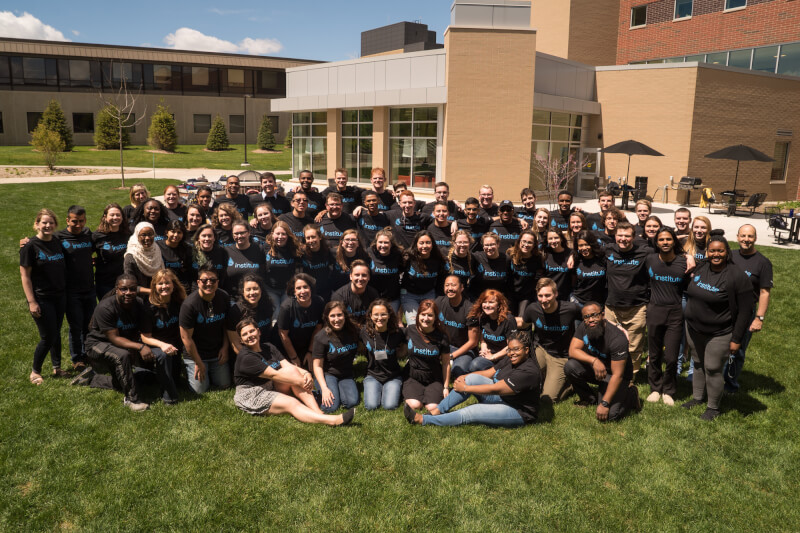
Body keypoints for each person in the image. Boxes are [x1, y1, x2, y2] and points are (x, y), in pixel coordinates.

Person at [682, 231, 753, 420]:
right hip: (694, 328)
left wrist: (737, 339)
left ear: (727, 252)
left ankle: (713, 407)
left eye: (720, 251)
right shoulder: (702, 267)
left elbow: (745, 311)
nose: (716, 255)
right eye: (712, 251)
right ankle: (697, 398)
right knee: (697, 363)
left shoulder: (737, 276)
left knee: (712, 368)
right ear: (707, 252)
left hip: (720, 332)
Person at [405, 330, 541, 427]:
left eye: (516, 349)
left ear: (527, 350)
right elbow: (489, 373)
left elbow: (495, 389)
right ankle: (437, 411)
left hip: (517, 410)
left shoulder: (529, 371)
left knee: (471, 412)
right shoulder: (510, 358)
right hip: (503, 398)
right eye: (509, 349)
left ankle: (423, 420)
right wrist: (465, 377)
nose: (512, 353)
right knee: (471, 378)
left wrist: (466, 388)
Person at [233, 319, 354, 425]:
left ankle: (318, 412)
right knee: (292, 403)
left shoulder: (268, 347)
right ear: (242, 340)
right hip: (253, 393)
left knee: (292, 371)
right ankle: (332, 421)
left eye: (251, 331)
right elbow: (274, 374)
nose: (249, 335)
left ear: (258, 332)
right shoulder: (246, 357)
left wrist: (306, 374)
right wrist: (302, 382)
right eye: (245, 334)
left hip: (270, 384)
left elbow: (288, 366)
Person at [75, 274, 151, 411]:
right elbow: (114, 338)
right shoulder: (106, 307)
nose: (128, 293)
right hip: (97, 344)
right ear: (117, 289)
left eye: (132, 289)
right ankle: (131, 400)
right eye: (124, 289)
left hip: (120, 344)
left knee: (122, 382)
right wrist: (140, 346)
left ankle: (92, 378)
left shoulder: (139, 303)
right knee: (122, 355)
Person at [565, 302, 640, 422]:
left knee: (610, 416)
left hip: (616, 376)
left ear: (603, 315)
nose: (590, 319)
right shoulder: (584, 327)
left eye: (594, 315)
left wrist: (605, 404)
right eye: (586, 317)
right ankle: (589, 399)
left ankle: (631, 394)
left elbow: (618, 375)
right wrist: (594, 361)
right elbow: (572, 351)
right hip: (598, 370)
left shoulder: (617, 338)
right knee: (570, 366)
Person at [20, 208, 67, 384]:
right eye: (44, 222)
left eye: (51, 222)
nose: (47, 225)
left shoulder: (57, 241)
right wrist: (32, 302)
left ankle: (57, 367)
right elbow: (25, 276)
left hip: (59, 296)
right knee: (48, 336)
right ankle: (35, 371)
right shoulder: (30, 246)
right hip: (41, 297)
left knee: (56, 333)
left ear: (55, 225)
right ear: (37, 224)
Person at [725, 224, 773, 393]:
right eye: (743, 236)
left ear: (756, 238)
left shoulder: (763, 263)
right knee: (720, 347)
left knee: (736, 350)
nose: (746, 240)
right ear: (737, 237)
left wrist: (759, 318)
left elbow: (764, 292)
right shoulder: (730, 256)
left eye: (750, 236)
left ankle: (730, 386)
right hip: (724, 310)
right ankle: (715, 382)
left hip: (745, 313)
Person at [645, 227, 689, 406]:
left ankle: (668, 390)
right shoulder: (650, 260)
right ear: (656, 242)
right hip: (655, 310)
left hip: (675, 312)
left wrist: (690, 256)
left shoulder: (684, 262)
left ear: (674, 242)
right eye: (661, 240)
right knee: (654, 355)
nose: (665, 243)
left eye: (668, 239)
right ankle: (655, 388)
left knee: (671, 357)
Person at [521, 278, 581, 403]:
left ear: (556, 294)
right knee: (525, 379)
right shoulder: (533, 309)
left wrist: (617, 327)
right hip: (541, 351)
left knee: (547, 399)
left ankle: (570, 385)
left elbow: (590, 318)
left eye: (548, 295)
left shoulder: (570, 309)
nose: (544, 300)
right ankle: (546, 377)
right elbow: (523, 323)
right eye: (540, 296)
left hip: (561, 357)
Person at [604, 221, 649, 377]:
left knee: (634, 346)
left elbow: (668, 251)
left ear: (634, 237)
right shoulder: (608, 250)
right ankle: (612, 376)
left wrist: (688, 256)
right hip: (611, 307)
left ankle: (630, 378)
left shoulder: (644, 253)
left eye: (627, 236)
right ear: (615, 236)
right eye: (620, 235)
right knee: (610, 343)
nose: (623, 239)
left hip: (636, 308)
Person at [179, 266, 232, 395]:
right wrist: (198, 361)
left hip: (216, 353)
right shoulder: (189, 305)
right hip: (196, 355)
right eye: (204, 280)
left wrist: (225, 348)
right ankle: (189, 368)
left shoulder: (223, 297)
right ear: (198, 282)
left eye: (213, 280)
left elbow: (227, 325)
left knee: (224, 384)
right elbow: (186, 338)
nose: (209, 283)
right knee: (200, 390)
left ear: (218, 282)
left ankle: (209, 372)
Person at [56, 205, 96, 371]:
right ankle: (77, 358)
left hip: (89, 287)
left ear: (85, 220)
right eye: (74, 221)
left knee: (89, 324)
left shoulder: (88, 234)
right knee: (76, 325)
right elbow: (40, 242)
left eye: (81, 221)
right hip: (71, 290)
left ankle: (89, 354)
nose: (78, 224)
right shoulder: (59, 237)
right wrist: (26, 242)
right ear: (67, 220)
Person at [139, 269, 185, 405]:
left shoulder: (179, 302)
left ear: (173, 285)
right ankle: (169, 397)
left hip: (175, 345)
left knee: (174, 378)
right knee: (163, 356)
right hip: (155, 345)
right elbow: (145, 337)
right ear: (154, 287)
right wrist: (162, 345)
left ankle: (154, 376)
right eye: (160, 283)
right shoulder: (148, 307)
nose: (164, 286)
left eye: (167, 283)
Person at [403, 299, 451, 414]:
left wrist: (446, 387)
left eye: (430, 315)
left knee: (432, 407)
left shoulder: (442, 337)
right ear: (418, 315)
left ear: (435, 317)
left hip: (434, 377)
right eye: (423, 314)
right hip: (413, 376)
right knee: (415, 405)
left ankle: (431, 394)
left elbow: (446, 363)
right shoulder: (410, 330)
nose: (426, 318)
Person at [311, 301, 360, 413]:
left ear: (345, 316)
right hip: (328, 374)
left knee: (351, 402)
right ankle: (314, 393)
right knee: (330, 407)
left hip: (346, 374)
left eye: (339, 315)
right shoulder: (321, 337)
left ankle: (338, 390)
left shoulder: (353, 331)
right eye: (332, 316)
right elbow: (317, 366)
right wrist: (324, 388)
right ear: (327, 317)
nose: (336, 319)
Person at [361, 300, 406, 410]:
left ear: (389, 315)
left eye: (383, 314)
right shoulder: (364, 332)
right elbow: (359, 347)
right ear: (371, 316)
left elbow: (404, 349)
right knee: (371, 406)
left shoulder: (398, 333)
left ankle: (389, 389)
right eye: (376, 314)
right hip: (372, 375)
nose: (379, 318)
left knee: (389, 406)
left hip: (392, 376)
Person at [277, 273, 325, 370]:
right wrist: (293, 358)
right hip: (287, 346)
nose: (302, 291)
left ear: (310, 288)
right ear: (294, 291)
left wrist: (310, 351)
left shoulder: (319, 302)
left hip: (307, 344)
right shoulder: (286, 307)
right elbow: (283, 335)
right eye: (298, 288)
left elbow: (318, 327)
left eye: (305, 287)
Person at [435, 275, 478, 379]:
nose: (450, 288)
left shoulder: (470, 309)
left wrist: (451, 356)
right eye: (447, 285)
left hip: (464, 349)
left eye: (453, 285)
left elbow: (473, 342)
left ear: (461, 288)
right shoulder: (439, 302)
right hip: (444, 345)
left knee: (458, 372)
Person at [467, 289, 517, 372]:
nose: (487, 305)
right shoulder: (483, 317)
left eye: (491, 302)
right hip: (488, 355)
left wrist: (493, 357)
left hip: (505, 358)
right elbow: (483, 338)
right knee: (473, 366)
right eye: (484, 302)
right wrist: (483, 348)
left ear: (499, 305)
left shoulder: (508, 320)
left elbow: (511, 346)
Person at [401, 230, 444, 325]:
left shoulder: (438, 259)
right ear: (416, 244)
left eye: (428, 243)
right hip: (409, 295)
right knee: (413, 324)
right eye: (421, 243)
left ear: (432, 244)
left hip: (429, 294)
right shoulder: (408, 257)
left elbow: (441, 280)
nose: (424, 246)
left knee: (430, 322)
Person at [226, 274, 275, 356]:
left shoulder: (267, 305)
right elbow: (235, 343)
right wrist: (255, 360)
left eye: (255, 289)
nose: (252, 293)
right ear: (242, 292)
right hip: (246, 356)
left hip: (266, 352)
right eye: (248, 289)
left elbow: (268, 332)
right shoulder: (236, 311)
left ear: (261, 290)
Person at [263, 221, 302, 318]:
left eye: (283, 234)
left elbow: (301, 267)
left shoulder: (293, 248)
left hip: (287, 289)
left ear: (288, 235)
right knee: (276, 314)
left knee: (287, 313)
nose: (280, 237)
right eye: (277, 234)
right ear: (272, 235)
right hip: (270, 289)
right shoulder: (265, 248)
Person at [93, 203, 130, 300]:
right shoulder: (97, 236)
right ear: (105, 217)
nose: (115, 217)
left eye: (118, 215)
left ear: (122, 217)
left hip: (125, 282)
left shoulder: (127, 234)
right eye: (112, 215)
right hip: (105, 283)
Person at [222, 221, 267, 299]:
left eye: (242, 233)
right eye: (236, 233)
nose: (239, 236)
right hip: (233, 298)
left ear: (249, 233)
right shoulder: (226, 252)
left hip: (254, 297)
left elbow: (264, 272)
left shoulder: (259, 250)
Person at [367, 228, 403, 312]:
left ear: (391, 244)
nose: (383, 245)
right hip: (373, 298)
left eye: (386, 242)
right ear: (376, 243)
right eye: (380, 242)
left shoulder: (398, 254)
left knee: (391, 323)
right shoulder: (369, 253)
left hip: (392, 299)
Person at [331, 260, 379, 324]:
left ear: (369, 277)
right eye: (357, 275)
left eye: (364, 275)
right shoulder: (339, 296)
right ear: (350, 276)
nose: (360, 278)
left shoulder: (373, 294)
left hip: (367, 329)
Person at [507, 229, 543, 315]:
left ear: (534, 245)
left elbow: (538, 278)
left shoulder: (538, 258)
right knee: (509, 320)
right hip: (510, 295)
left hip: (526, 296)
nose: (526, 245)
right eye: (524, 241)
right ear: (519, 242)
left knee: (522, 320)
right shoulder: (510, 254)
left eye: (530, 242)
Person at [124, 222, 164, 297]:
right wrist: (152, 292)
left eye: (150, 234)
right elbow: (129, 284)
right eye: (143, 235)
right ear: (137, 236)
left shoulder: (156, 249)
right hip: (139, 298)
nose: (147, 238)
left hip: (157, 294)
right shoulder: (131, 257)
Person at [572, 230, 607, 307]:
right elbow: (572, 282)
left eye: (587, 244)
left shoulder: (602, 259)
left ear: (592, 244)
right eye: (580, 245)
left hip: (599, 304)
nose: (584, 248)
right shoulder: (575, 260)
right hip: (579, 303)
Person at [301, 224, 335, 300]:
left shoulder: (328, 250)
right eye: (308, 238)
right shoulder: (301, 253)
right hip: (310, 292)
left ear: (319, 237)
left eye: (313, 237)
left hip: (327, 290)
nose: (311, 240)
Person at [157, 220, 194, 291]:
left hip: (180, 287)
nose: (176, 235)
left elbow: (189, 271)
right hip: (162, 286)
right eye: (173, 231)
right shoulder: (157, 246)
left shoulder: (187, 249)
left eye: (179, 232)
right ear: (166, 232)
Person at [470, 232, 510, 297]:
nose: (489, 248)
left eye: (492, 244)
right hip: (479, 297)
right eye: (486, 245)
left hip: (499, 297)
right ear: (483, 246)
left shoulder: (506, 259)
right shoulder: (476, 257)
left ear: (498, 244)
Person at [191, 224, 228, 290]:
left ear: (214, 238)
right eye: (204, 236)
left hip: (217, 291)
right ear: (198, 238)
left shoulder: (222, 252)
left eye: (210, 236)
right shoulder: (191, 253)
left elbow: (223, 275)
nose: (207, 239)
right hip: (196, 292)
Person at [542, 228, 574, 301]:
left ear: (561, 239)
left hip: (566, 296)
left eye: (556, 238)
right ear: (547, 240)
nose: (553, 241)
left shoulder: (570, 253)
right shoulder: (545, 254)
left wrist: (573, 255)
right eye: (550, 238)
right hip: (549, 296)